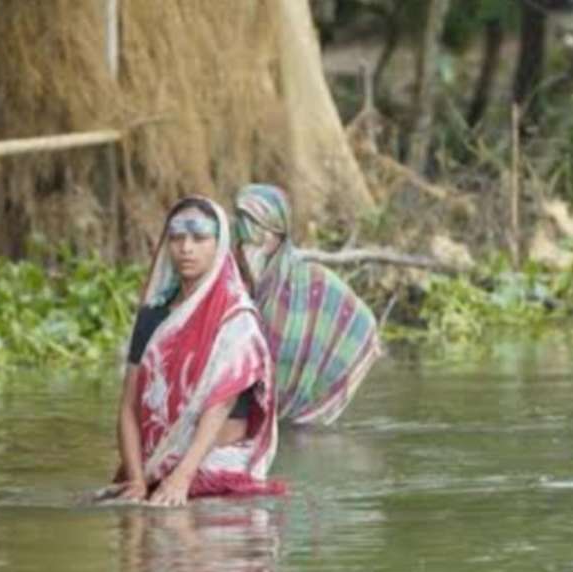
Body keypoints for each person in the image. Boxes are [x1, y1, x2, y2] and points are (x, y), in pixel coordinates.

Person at [99, 196, 283, 506]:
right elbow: (128, 408)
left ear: (219, 245)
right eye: (177, 238)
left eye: (199, 238)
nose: (186, 248)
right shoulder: (152, 318)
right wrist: (136, 480)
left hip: (219, 465)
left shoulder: (236, 320)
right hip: (153, 466)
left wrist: (182, 476)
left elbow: (219, 407)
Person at [233, 184, 382, 426]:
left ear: (280, 232)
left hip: (301, 419)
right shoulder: (228, 281)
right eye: (244, 224)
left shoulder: (311, 280)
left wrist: (322, 392)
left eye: (262, 227)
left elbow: (358, 321)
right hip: (238, 418)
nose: (252, 236)